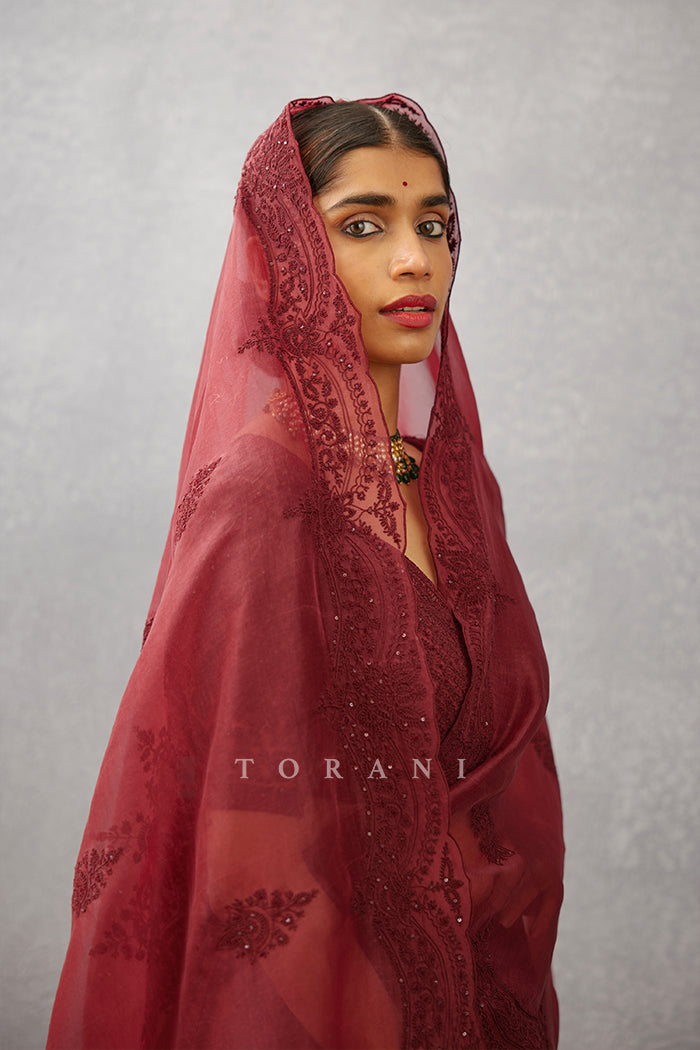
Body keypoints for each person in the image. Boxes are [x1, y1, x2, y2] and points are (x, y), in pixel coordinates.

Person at [47, 94, 564, 1050]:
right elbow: (249, 848)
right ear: (286, 254)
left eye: (435, 225)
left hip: (486, 992)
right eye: (363, 226)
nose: (415, 260)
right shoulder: (264, 498)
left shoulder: (454, 488)